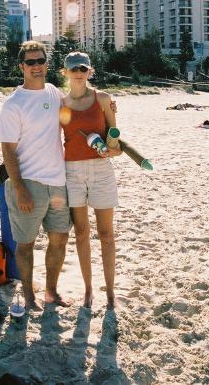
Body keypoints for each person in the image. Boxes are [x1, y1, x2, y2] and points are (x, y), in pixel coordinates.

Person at [0, 41, 72, 311]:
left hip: (58, 184)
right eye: (31, 63)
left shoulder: (53, 92)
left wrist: (107, 105)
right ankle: (28, 296)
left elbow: (76, 107)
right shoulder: (13, 104)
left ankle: (51, 291)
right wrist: (19, 189)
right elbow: (7, 150)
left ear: (46, 64)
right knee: (25, 244)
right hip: (29, 184)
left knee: (59, 239)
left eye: (41, 61)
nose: (37, 67)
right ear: (21, 67)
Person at [59, 52, 122, 309]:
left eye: (83, 67)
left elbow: (115, 144)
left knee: (106, 234)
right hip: (72, 172)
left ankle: (110, 293)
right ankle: (88, 291)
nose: (78, 72)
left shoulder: (104, 100)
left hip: (101, 170)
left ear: (90, 71)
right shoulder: (60, 104)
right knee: (82, 233)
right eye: (73, 68)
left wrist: (111, 150)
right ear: (65, 72)